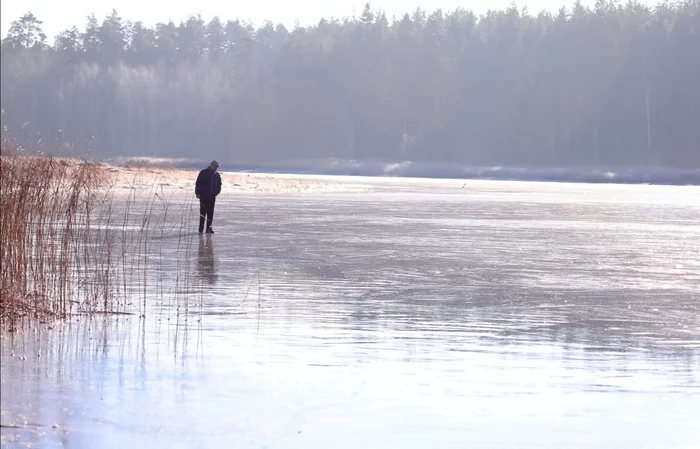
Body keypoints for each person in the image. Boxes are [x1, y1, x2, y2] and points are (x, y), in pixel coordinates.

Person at [195, 160, 222, 234]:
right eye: (215, 167)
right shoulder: (203, 173)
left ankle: (208, 229)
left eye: (217, 167)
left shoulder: (217, 175)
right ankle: (201, 229)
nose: (216, 168)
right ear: (211, 166)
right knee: (203, 213)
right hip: (203, 196)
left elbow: (219, 184)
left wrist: (216, 192)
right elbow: (198, 183)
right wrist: (197, 193)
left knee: (210, 214)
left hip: (212, 197)